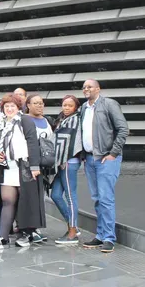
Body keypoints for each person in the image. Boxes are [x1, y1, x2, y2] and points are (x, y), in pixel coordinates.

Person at [0, 94, 42, 250]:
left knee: (25, 202)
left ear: (18, 107)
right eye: (6, 106)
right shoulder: (1, 123)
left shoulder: (25, 120)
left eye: (12, 106)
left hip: (24, 166)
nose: (9, 109)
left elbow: (32, 143)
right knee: (7, 201)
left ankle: (26, 234)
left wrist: (34, 166)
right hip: (8, 166)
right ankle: (3, 237)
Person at [81, 79, 129, 254]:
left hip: (106, 159)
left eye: (90, 86)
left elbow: (123, 129)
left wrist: (113, 154)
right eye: (84, 87)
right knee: (97, 199)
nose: (86, 89)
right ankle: (100, 235)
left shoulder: (109, 104)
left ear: (98, 89)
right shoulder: (84, 108)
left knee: (106, 198)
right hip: (90, 159)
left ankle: (109, 238)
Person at [52, 95, 83, 245]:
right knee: (56, 195)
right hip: (61, 163)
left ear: (76, 107)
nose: (66, 108)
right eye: (64, 105)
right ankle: (73, 226)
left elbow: (69, 142)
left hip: (69, 162)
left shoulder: (75, 119)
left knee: (71, 196)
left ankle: (72, 233)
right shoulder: (62, 119)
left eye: (70, 105)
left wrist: (63, 158)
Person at [24, 93, 53, 243]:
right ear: (28, 105)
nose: (39, 106)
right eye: (36, 103)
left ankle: (36, 228)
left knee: (39, 196)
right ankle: (29, 229)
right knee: (29, 197)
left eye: (41, 103)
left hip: (43, 165)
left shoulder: (47, 121)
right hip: (28, 165)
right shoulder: (24, 120)